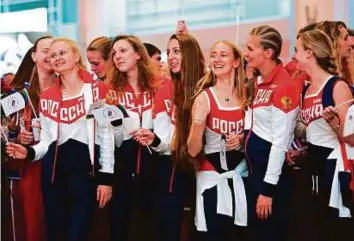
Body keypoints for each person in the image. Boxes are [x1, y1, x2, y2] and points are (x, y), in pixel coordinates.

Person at [6, 37, 114, 241]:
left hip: (85, 174)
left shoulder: (95, 90)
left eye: (62, 53)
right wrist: (28, 152)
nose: (56, 58)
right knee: (57, 234)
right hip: (54, 176)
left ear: (75, 56)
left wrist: (106, 178)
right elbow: (46, 141)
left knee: (79, 233)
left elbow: (105, 136)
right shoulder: (48, 96)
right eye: (53, 55)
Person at [132, 32, 205, 241]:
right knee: (168, 225)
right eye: (168, 52)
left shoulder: (207, 86)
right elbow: (165, 141)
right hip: (173, 165)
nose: (170, 57)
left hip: (207, 166)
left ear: (189, 54)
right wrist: (153, 140)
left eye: (177, 51)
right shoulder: (164, 88)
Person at [294, 29, 354, 241]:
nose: (294, 55)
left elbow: (352, 137)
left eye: (297, 50)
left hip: (335, 168)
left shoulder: (337, 86)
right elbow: (311, 132)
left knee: (336, 229)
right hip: (314, 167)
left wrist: (336, 122)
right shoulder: (307, 89)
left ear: (310, 53)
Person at [243, 25, 300, 241]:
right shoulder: (259, 82)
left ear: (268, 53)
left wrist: (267, 190)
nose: (245, 53)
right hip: (255, 172)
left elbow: (280, 141)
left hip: (271, 178)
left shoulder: (283, 85)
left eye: (250, 48)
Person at [187, 40, 248, 241]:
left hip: (242, 177)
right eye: (213, 55)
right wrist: (198, 123)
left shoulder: (248, 95)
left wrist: (242, 138)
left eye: (223, 55)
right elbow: (193, 150)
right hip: (212, 180)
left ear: (236, 62)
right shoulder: (204, 97)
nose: (217, 59)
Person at [105, 34, 159, 241]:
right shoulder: (110, 91)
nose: (117, 56)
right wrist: (119, 125)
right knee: (120, 226)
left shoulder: (157, 87)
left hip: (154, 167)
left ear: (138, 54)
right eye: (114, 53)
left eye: (123, 51)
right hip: (123, 169)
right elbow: (111, 140)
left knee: (151, 227)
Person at [2, 36, 55, 241]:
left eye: (55, 51)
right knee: (32, 222)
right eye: (45, 50)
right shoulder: (18, 94)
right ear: (33, 56)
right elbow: (5, 128)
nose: (50, 55)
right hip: (29, 167)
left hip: (61, 163)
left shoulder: (68, 90)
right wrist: (17, 136)